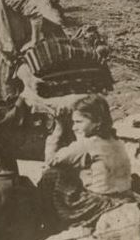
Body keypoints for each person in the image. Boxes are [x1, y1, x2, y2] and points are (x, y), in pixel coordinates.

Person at [39, 94, 133, 231]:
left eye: (79, 122)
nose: (73, 127)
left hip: (100, 204)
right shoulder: (116, 140)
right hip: (124, 198)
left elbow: (50, 161)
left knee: (51, 174)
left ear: (98, 121)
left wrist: (58, 129)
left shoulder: (87, 144)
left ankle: (51, 227)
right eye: (73, 122)